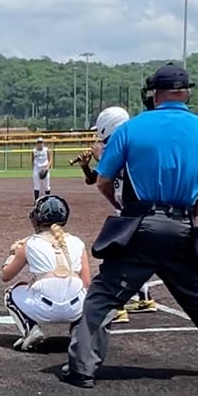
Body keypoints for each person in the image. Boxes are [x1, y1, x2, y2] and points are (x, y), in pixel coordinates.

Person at [63, 63, 198, 387]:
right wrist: (186, 216)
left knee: (103, 298)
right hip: (182, 225)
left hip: (140, 224)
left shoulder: (132, 129)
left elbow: (103, 181)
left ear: (154, 94)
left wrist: (125, 209)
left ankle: (82, 369)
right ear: (186, 94)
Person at [73, 106, 156, 321]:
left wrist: (102, 157)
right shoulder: (116, 146)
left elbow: (125, 172)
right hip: (126, 208)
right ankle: (145, 297)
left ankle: (117, 306)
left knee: (117, 256)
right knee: (134, 255)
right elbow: (96, 179)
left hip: (132, 209)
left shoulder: (129, 145)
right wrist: (86, 165)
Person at [1, 194, 90, 352]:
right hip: (75, 308)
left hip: (42, 309)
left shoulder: (30, 243)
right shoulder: (77, 242)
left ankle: (30, 329)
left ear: (37, 219)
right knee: (86, 293)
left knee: (10, 294)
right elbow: (87, 282)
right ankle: (78, 329)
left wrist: (13, 254)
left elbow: (6, 275)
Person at [30, 137, 53, 201]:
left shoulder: (46, 150)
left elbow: (50, 160)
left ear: (43, 143)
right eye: (39, 142)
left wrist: (47, 169)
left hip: (45, 168)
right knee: (36, 186)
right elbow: (32, 160)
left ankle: (48, 200)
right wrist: (34, 169)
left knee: (47, 186)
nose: (40, 144)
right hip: (37, 169)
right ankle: (36, 201)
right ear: (36, 144)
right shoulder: (34, 151)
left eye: (41, 142)